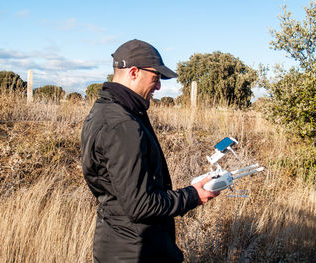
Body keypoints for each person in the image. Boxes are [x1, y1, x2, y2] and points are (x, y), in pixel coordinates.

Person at [81, 39, 219, 263]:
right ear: (134, 72)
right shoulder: (122, 125)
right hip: (136, 251)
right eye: (156, 78)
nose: (159, 87)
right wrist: (194, 195)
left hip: (120, 244)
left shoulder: (105, 111)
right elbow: (141, 205)